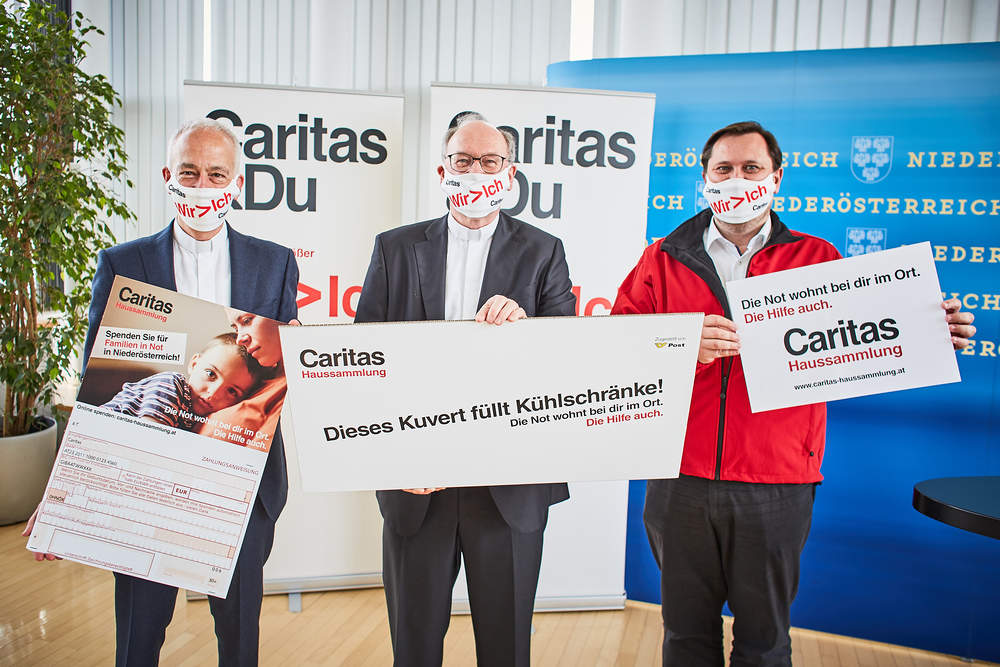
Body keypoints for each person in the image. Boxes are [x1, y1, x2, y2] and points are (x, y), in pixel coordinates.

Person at [611, 120, 976, 667]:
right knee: (684, 636)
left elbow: (865, 334)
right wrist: (679, 345)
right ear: (704, 179)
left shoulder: (816, 258)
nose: (737, 179)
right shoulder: (662, 257)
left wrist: (929, 329)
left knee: (765, 641)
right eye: (724, 169)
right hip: (679, 476)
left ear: (776, 178)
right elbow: (619, 346)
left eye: (751, 168)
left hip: (776, 478)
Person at [24, 118, 299, 667]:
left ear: (238, 183)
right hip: (142, 486)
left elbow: (282, 367)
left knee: (240, 639)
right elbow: (93, 388)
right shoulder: (123, 263)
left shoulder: (275, 262)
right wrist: (68, 489)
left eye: (216, 174)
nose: (202, 185)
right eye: (189, 173)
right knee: (139, 638)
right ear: (168, 177)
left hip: (239, 486)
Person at [355, 114, 576, 667]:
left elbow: (565, 360)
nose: (476, 170)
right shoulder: (394, 248)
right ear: (442, 170)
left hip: (507, 487)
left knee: (506, 649)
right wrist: (392, 457)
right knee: (414, 646)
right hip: (416, 482)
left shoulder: (544, 251)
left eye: (489, 161)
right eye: (463, 160)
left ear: (510, 173)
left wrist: (525, 328)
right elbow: (362, 360)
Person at [102, 332, 263, 431]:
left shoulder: (199, 418)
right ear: (194, 364)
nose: (213, 393)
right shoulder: (171, 385)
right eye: (211, 374)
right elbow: (149, 436)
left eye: (232, 391)